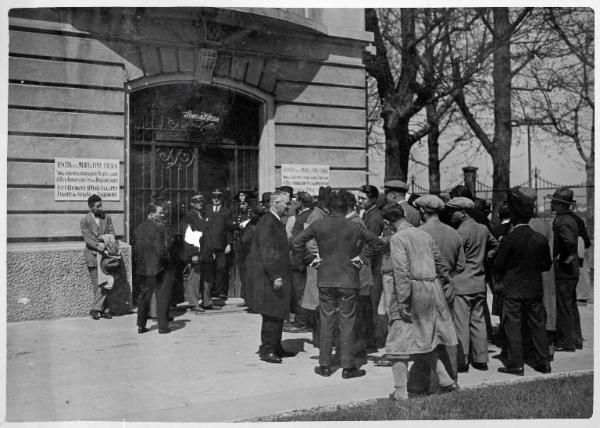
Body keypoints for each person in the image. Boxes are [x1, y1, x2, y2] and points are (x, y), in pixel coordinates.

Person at [294, 191, 385, 379]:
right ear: (345, 208)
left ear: (328, 208)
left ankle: (325, 365)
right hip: (349, 279)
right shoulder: (354, 226)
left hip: (325, 277)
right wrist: (361, 260)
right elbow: (376, 243)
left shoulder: (319, 224)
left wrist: (311, 260)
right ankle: (348, 366)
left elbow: (297, 243)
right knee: (347, 322)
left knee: (327, 322)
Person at [382, 205, 457, 401]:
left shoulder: (398, 239)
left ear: (387, 223)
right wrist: (445, 284)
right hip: (432, 290)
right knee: (425, 338)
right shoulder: (423, 234)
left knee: (397, 344)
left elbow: (401, 273)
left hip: (412, 292)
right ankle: (446, 380)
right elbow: (442, 265)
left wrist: (403, 302)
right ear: (404, 216)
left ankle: (400, 392)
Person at [495, 187, 552, 375]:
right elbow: (546, 265)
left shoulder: (509, 239)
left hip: (512, 290)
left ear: (514, 217)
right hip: (534, 289)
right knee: (538, 326)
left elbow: (498, 265)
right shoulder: (540, 239)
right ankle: (543, 362)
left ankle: (516, 364)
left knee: (513, 327)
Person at [413, 194, 465, 393]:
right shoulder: (453, 233)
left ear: (423, 212)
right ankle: (448, 377)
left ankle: (429, 383)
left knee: (425, 335)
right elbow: (460, 265)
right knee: (446, 334)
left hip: (426, 287)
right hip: (447, 288)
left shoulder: (418, 233)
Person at [446, 196, 498, 372]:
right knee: (478, 321)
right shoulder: (483, 228)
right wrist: (484, 258)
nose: (451, 214)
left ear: (464, 212)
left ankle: (462, 360)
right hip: (478, 282)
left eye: (454, 210)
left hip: (461, 283)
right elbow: (495, 245)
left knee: (461, 323)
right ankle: (481, 359)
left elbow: (454, 255)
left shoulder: (460, 232)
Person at [245, 191, 294, 364]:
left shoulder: (275, 221)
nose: (289, 207)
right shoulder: (267, 222)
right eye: (286, 204)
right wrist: (275, 276)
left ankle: (276, 346)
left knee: (278, 311)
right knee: (271, 312)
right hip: (269, 276)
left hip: (277, 274)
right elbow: (267, 252)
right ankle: (267, 349)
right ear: (276, 203)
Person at [550, 187, 583, 352]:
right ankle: (575, 339)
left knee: (563, 306)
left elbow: (569, 242)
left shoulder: (563, 220)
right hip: (570, 270)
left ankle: (566, 342)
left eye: (554, 202)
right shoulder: (568, 218)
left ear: (562, 205)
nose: (551, 204)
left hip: (564, 271)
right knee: (570, 305)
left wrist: (563, 258)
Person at [134, 202, 173, 334]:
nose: (163, 215)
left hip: (143, 268)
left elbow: (136, 250)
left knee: (144, 296)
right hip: (159, 267)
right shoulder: (160, 228)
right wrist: (166, 262)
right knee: (162, 296)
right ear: (151, 214)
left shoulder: (139, 228)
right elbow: (161, 250)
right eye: (160, 212)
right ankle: (162, 326)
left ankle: (141, 325)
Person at [358, 184, 385, 351]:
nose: (359, 201)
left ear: (373, 199)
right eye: (359, 198)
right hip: (370, 267)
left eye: (363, 199)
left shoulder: (374, 217)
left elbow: (372, 243)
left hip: (373, 268)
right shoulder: (368, 213)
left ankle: (372, 341)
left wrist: (361, 260)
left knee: (371, 304)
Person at [80, 194, 116, 320]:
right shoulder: (84, 220)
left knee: (106, 281)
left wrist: (105, 243)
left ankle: (97, 309)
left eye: (101, 205)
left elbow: (112, 234)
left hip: (106, 255)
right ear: (90, 207)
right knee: (97, 283)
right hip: (92, 255)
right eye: (98, 206)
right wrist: (98, 246)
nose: (101, 208)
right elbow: (88, 239)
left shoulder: (107, 217)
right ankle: (104, 309)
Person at [288, 191, 314, 332]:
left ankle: (301, 322)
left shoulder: (303, 217)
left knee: (299, 292)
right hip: (304, 258)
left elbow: (300, 240)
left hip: (299, 260)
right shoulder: (307, 214)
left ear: (299, 202)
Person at [180, 194, 209, 312]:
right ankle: (193, 303)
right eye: (196, 202)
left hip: (202, 251)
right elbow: (188, 237)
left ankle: (201, 301)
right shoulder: (190, 217)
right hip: (195, 252)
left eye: (201, 202)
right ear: (192, 203)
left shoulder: (201, 215)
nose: (200, 203)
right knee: (194, 278)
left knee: (201, 277)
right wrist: (193, 254)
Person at [205, 188, 234, 303]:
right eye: (214, 197)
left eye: (218, 197)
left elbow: (228, 228)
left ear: (221, 199)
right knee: (209, 268)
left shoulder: (226, 211)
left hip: (221, 245)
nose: (216, 200)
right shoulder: (206, 209)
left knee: (221, 268)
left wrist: (229, 243)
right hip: (208, 244)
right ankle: (209, 292)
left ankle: (220, 290)